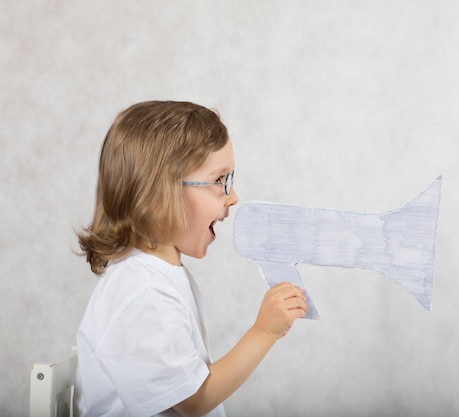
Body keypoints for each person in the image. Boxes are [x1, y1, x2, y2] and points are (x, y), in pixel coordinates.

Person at [75, 100, 307, 417]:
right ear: (158, 197)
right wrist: (264, 332)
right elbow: (194, 401)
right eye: (218, 180)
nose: (234, 196)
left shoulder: (160, 275)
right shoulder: (142, 290)